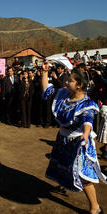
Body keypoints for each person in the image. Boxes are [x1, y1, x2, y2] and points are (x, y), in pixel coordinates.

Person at [41, 62, 107, 214]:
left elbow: (88, 119)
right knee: (61, 166)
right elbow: (47, 90)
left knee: (82, 175)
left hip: (79, 143)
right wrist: (44, 73)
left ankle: (95, 208)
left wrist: (85, 133)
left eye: (70, 80)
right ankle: (63, 186)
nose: (66, 82)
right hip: (63, 139)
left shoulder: (87, 103)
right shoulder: (64, 94)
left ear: (79, 85)